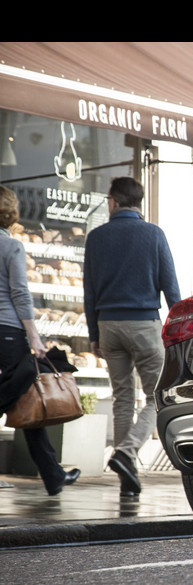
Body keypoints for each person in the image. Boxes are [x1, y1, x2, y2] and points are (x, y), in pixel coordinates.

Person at [84, 177, 180, 499]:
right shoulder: (154, 234)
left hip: (109, 326)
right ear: (138, 203)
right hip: (144, 326)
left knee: (123, 398)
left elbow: (89, 291)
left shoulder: (96, 238)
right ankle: (126, 453)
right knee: (158, 396)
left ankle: (127, 478)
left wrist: (94, 334)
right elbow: (171, 288)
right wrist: (179, 330)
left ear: (113, 201)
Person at [0, 185, 80, 495]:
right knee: (20, 393)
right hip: (8, 332)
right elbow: (19, 292)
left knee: (24, 397)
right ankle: (52, 473)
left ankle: (52, 473)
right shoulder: (12, 248)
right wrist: (34, 335)